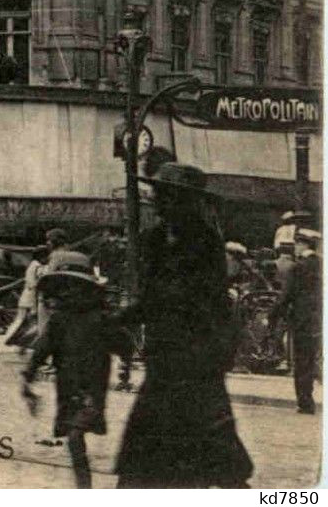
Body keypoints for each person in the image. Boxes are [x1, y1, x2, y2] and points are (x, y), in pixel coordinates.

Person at [115, 162, 253, 488]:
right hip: (163, 358)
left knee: (208, 449)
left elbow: (195, 300)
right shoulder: (153, 239)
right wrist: (123, 318)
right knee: (145, 462)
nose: (158, 202)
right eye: (157, 195)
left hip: (196, 359)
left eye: (166, 196)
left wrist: (131, 315)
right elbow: (152, 297)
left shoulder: (205, 243)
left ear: (186, 201)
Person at [21, 252, 134, 488]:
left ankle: (84, 488)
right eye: (64, 288)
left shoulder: (100, 319)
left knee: (75, 433)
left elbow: (124, 344)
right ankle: (84, 485)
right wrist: (28, 376)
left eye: (73, 287)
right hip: (68, 384)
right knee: (74, 434)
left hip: (91, 388)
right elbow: (42, 349)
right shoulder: (59, 320)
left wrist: (125, 362)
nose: (68, 292)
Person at [271, 227, 321, 414]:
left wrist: (273, 315)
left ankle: (305, 402)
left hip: (302, 321)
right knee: (313, 359)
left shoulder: (297, 268)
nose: (295, 249)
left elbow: (286, 296)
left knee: (302, 363)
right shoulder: (321, 265)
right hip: (319, 320)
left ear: (302, 245)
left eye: (297, 245)